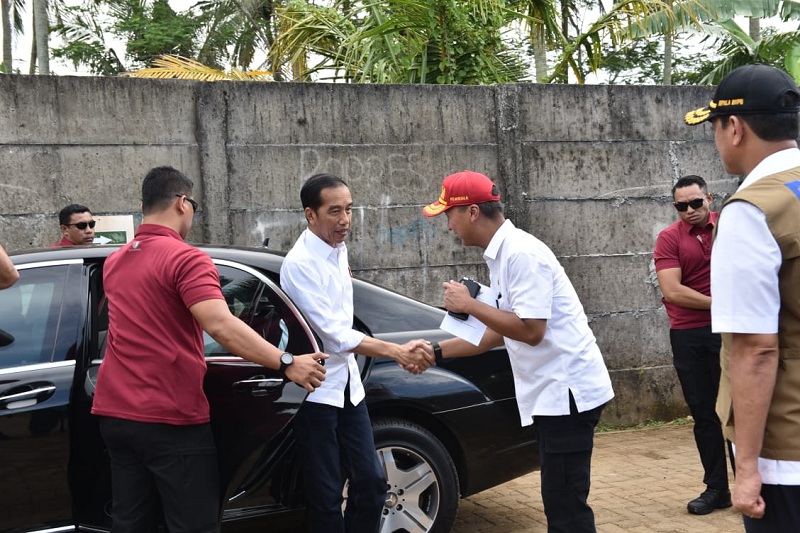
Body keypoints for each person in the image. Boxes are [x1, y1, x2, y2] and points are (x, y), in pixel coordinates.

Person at [91, 166, 327, 533]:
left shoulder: (115, 261)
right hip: (169, 416)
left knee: (132, 523)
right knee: (194, 525)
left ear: (144, 206)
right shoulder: (185, 258)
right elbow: (220, 325)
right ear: (183, 203)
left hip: (116, 414)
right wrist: (286, 361)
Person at [421, 170, 614, 533]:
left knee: (566, 506)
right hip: (551, 395)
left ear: (473, 212)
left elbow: (531, 331)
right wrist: (436, 351)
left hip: (566, 395)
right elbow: (498, 333)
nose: (448, 225)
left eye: (450, 214)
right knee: (562, 500)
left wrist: (469, 304)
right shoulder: (503, 253)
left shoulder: (521, 254)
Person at [280, 173, 434, 533]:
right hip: (315, 393)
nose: (345, 220)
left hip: (349, 388)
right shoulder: (301, 263)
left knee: (371, 482)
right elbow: (334, 335)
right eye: (335, 211)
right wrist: (395, 350)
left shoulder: (338, 249)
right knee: (326, 495)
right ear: (310, 215)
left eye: (349, 209)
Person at [685, 63, 800, 532]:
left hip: (786, 454)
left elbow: (756, 348)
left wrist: (748, 466)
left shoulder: (751, 211)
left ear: (734, 127)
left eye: (713, 126)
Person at [653, 175, 730, 515]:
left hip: (733, 331)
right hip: (690, 334)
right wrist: (724, 304)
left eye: (696, 202)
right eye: (681, 206)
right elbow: (673, 291)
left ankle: (750, 483)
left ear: (709, 199)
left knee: (742, 411)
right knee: (704, 414)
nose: (690, 210)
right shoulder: (669, 238)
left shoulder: (730, 228)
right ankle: (717, 489)